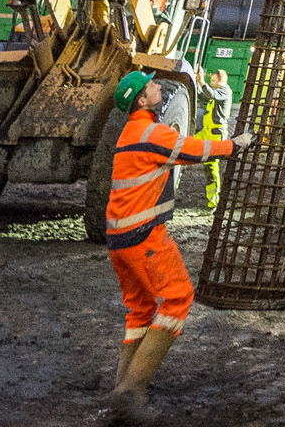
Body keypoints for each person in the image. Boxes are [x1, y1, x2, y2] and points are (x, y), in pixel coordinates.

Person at [105, 68, 254, 419]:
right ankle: (132, 388)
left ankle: (121, 390)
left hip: (118, 238)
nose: (158, 86)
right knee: (178, 299)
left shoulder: (129, 132)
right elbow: (195, 150)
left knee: (140, 310)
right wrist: (237, 145)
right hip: (144, 234)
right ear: (142, 101)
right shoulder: (152, 132)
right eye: (151, 86)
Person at [201, 71, 234, 211]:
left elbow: (211, 94)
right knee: (186, 145)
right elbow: (204, 95)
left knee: (211, 166)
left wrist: (202, 82)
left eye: (213, 80)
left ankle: (214, 201)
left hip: (215, 134)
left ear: (221, 80)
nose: (211, 83)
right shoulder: (216, 92)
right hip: (206, 132)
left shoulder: (224, 92)